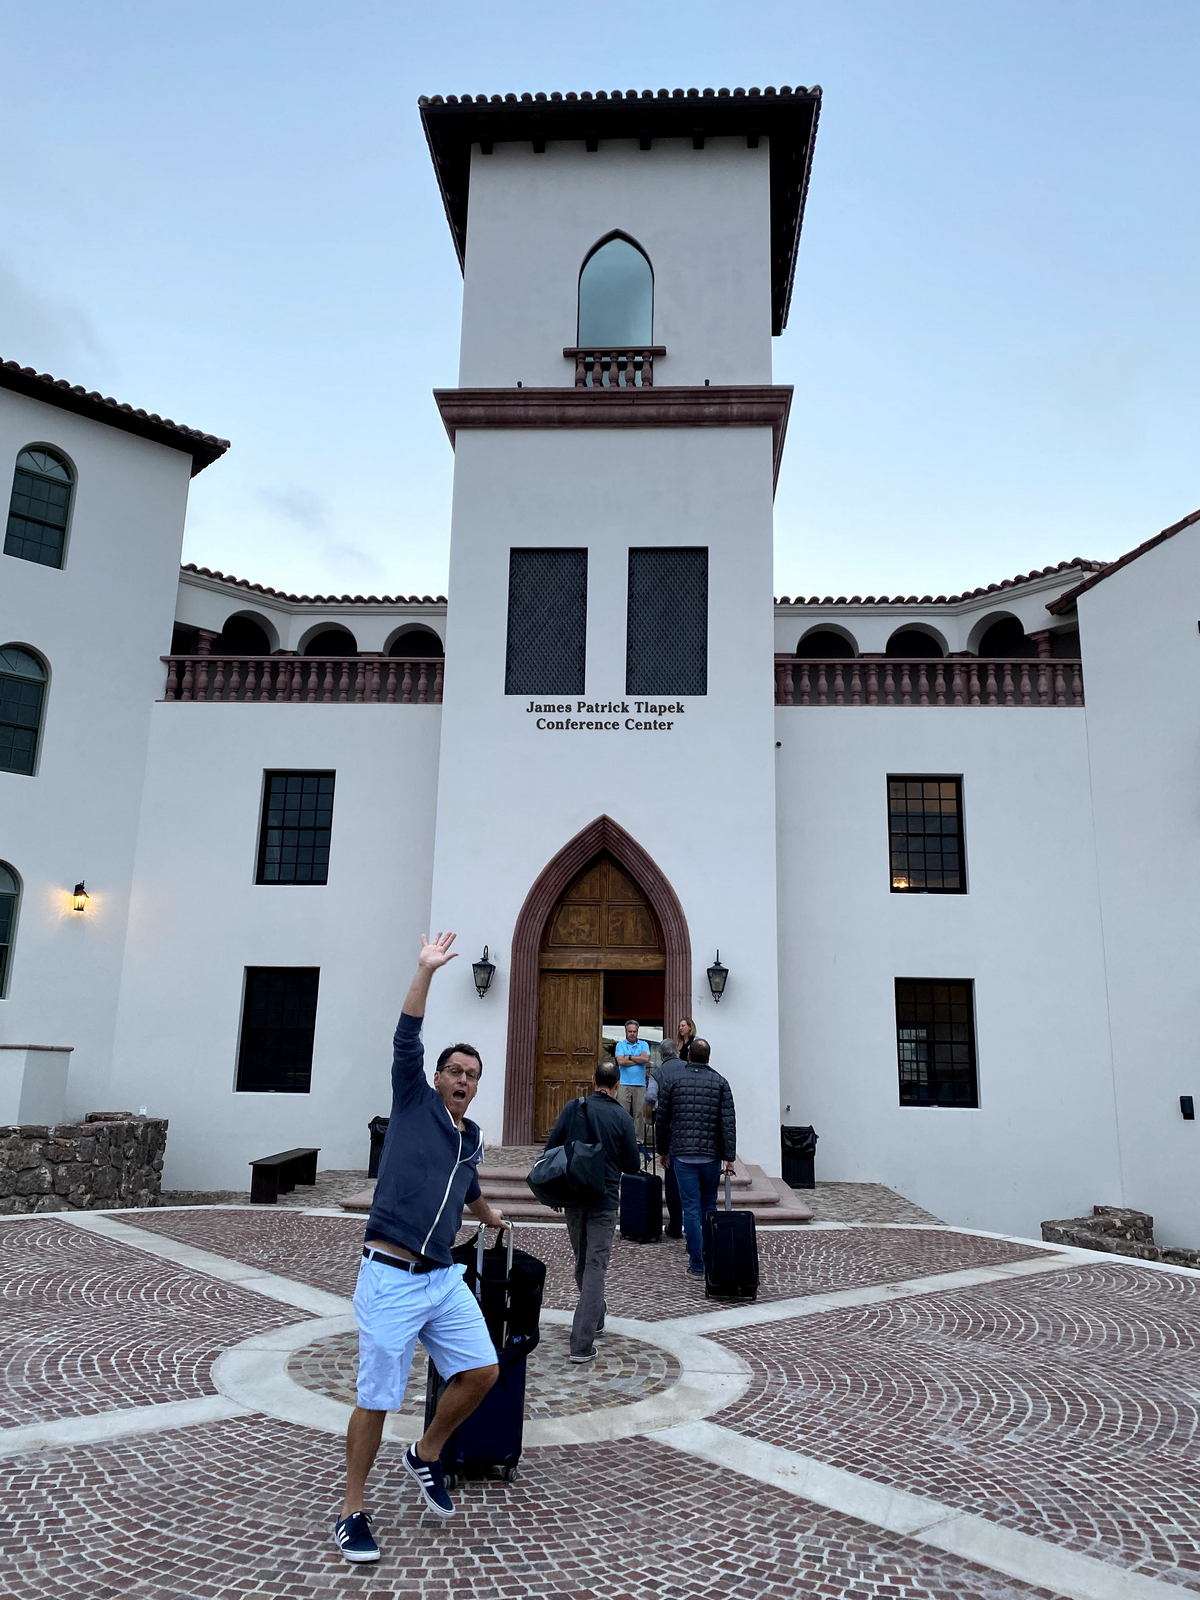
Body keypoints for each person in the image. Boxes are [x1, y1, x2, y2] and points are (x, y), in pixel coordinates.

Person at [334, 931, 508, 1565]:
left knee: (483, 1371)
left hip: (441, 1277)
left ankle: (426, 1452)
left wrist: (491, 1217)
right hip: (389, 1274)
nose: (462, 1081)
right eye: (455, 1071)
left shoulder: (472, 1137)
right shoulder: (412, 1102)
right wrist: (426, 971)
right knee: (377, 1399)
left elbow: (468, 1187)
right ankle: (352, 1510)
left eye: (472, 1076)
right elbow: (405, 1036)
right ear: (437, 1078)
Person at [544, 1059, 640, 1361]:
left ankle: (595, 1315)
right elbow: (632, 1165)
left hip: (573, 1196)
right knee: (595, 1265)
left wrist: (556, 1190)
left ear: (593, 1081)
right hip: (604, 1198)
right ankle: (582, 1343)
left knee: (582, 1260)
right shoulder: (622, 1117)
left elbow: (551, 1149)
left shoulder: (573, 1108)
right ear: (617, 1085)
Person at [655, 1037, 737, 1278]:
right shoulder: (720, 1082)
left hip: (682, 1154)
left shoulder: (673, 1081)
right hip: (710, 1155)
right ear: (708, 1058)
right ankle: (709, 1256)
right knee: (708, 1204)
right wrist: (729, 1157)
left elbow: (662, 1120)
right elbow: (728, 1123)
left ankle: (697, 1263)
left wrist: (663, 1151)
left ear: (688, 1056)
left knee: (689, 1206)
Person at [644, 1039, 684, 1238]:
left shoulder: (658, 1074)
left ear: (661, 1055)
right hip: (693, 1132)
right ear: (677, 1052)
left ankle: (676, 1226)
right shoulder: (688, 1068)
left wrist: (647, 1117)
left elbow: (650, 1097)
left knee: (673, 1184)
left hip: (671, 1134)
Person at [614, 1018, 650, 1148]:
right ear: (626, 1031)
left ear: (638, 1031)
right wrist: (638, 1059)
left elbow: (646, 1059)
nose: (632, 1034)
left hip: (640, 1084)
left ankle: (638, 1140)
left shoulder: (644, 1044)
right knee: (623, 1112)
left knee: (639, 1113)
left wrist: (628, 1057)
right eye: (630, 1031)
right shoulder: (620, 1045)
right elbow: (620, 1062)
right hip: (623, 1083)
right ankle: (622, 1138)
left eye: (634, 1031)